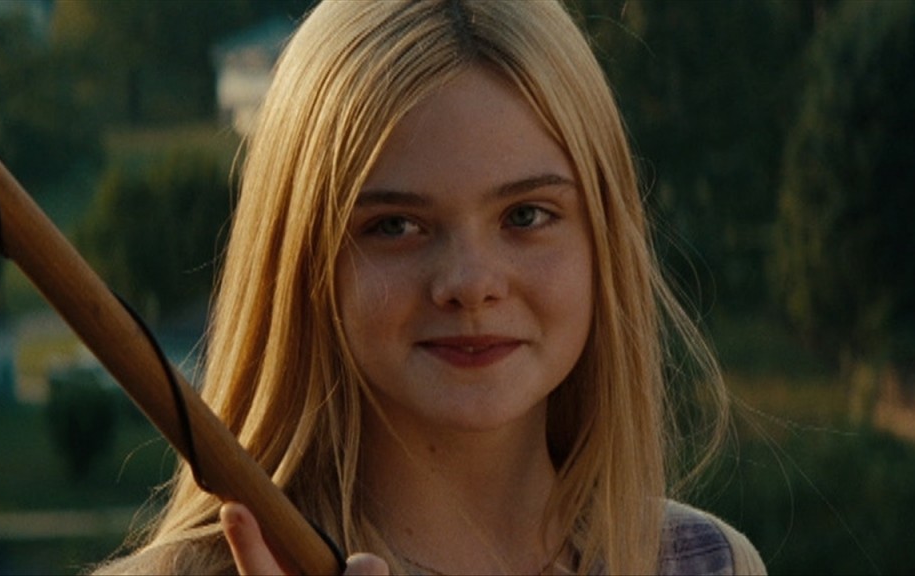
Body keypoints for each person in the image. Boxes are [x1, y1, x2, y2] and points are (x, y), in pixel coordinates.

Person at [98, 1, 765, 574]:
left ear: (604, 237)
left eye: (526, 216)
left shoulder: (705, 563)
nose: (471, 284)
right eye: (396, 226)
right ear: (301, 261)